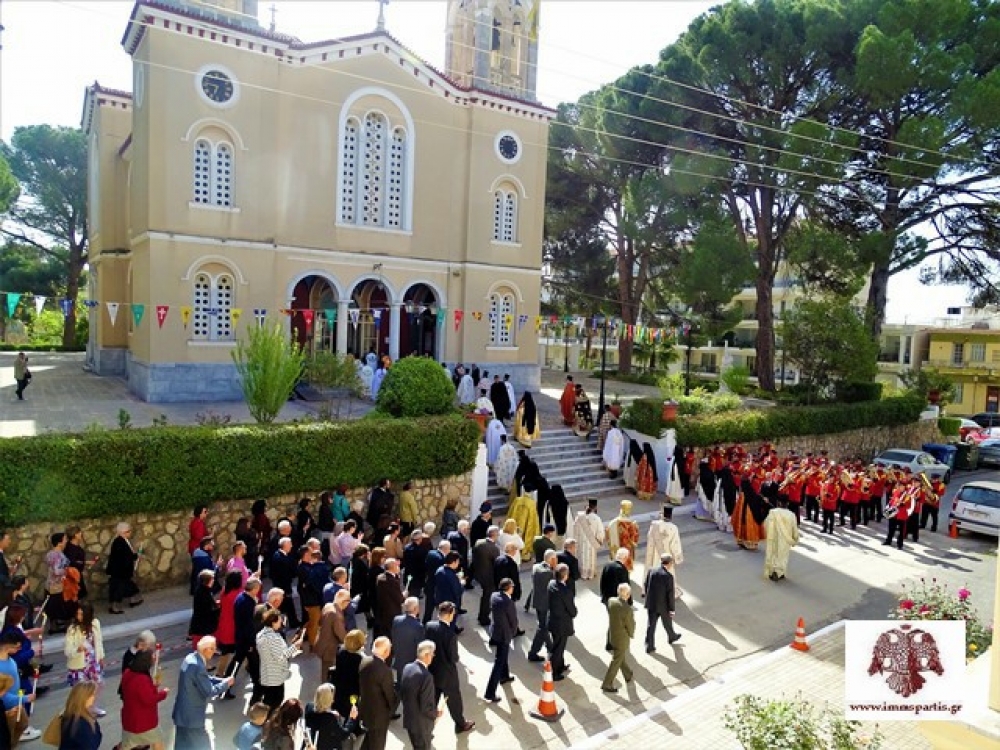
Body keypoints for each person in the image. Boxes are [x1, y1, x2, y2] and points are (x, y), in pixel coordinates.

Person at [171, 636, 234, 750]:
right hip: (192, 718)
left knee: (182, 745)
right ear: (206, 650)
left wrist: (221, 680)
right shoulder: (198, 666)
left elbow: (204, 679)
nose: (215, 651)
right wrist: (226, 684)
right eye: (213, 648)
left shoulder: (190, 658)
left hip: (182, 714)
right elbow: (209, 691)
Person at [424, 602, 475, 734]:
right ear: (450, 614)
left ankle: (426, 727)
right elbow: (453, 657)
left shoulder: (429, 626)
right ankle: (460, 724)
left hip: (433, 670)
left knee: (432, 699)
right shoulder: (450, 635)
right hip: (447, 673)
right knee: (454, 700)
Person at [119, 649, 169, 750]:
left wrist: (153, 686)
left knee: (127, 746)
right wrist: (163, 693)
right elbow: (149, 699)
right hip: (145, 723)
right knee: (158, 743)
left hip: (129, 721)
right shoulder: (142, 679)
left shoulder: (127, 673)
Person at [256, 609, 305, 709]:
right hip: (275, 675)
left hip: (267, 673)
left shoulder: (261, 634)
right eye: (279, 621)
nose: (281, 623)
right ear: (273, 622)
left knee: (269, 700)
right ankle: (268, 721)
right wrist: (295, 647)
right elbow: (280, 657)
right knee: (275, 701)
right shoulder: (273, 638)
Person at [64, 601, 105, 712]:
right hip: (79, 664)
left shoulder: (95, 624)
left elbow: (99, 641)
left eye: (81, 614)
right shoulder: (72, 629)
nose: (79, 616)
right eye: (78, 614)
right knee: (81, 690)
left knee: (98, 685)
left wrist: (101, 657)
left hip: (92, 661)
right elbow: (67, 650)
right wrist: (77, 649)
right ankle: (81, 710)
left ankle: (92, 706)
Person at [400, 640, 441, 750]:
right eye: (432, 654)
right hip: (421, 725)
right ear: (427, 655)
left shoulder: (407, 667)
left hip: (410, 721)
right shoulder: (426, 676)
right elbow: (426, 707)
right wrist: (435, 714)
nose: (433, 656)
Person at [358, 636, 397, 750]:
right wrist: (392, 708)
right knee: (377, 744)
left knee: (369, 740)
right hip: (379, 716)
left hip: (366, 709)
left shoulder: (365, 661)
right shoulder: (385, 671)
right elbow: (389, 695)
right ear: (386, 652)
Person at [484, 577, 518, 703]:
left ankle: (505, 676)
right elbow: (513, 620)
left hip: (496, 631)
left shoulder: (494, 596)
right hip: (504, 634)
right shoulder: (508, 602)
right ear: (508, 588)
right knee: (499, 661)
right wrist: (513, 632)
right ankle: (490, 692)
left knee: (503, 657)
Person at [643, 553, 681, 653]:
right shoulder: (668, 576)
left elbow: (646, 584)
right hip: (663, 606)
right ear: (669, 563)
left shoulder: (651, 570)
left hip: (652, 603)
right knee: (667, 623)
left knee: (651, 625)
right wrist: (672, 609)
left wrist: (649, 596)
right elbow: (670, 595)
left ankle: (649, 645)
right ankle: (672, 637)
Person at [602, 582, 635, 693]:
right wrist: (631, 634)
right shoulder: (627, 609)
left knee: (619, 656)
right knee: (617, 659)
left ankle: (628, 673)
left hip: (613, 636)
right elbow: (630, 625)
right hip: (622, 638)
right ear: (628, 594)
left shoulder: (611, 601)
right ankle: (607, 683)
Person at [304, 683, 359, 750]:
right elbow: (343, 734)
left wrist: (329, 712)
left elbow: (319, 711)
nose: (333, 700)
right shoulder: (329, 719)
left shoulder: (309, 708)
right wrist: (352, 719)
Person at [546, 563, 577, 681]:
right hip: (561, 625)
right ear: (565, 576)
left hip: (553, 621)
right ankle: (554, 672)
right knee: (558, 648)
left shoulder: (551, 584)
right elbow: (572, 610)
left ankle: (560, 665)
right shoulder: (565, 591)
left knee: (558, 645)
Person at [645, 505, 685, 596]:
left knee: (654, 572)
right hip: (667, 555)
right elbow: (675, 544)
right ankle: (668, 592)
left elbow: (649, 538)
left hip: (655, 553)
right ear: (671, 516)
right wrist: (677, 557)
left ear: (662, 514)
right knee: (668, 574)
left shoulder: (654, 525)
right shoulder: (673, 528)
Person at [526, 550, 557, 662]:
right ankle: (533, 652)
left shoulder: (536, 567)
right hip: (544, 603)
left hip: (537, 600)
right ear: (552, 560)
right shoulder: (549, 573)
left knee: (542, 625)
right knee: (542, 628)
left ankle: (550, 647)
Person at [314, 589, 351, 681]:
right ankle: (327, 692)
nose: (348, 605)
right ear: (343, 602)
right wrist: (352, 644)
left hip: (322, 644)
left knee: (325, 670)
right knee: (329, 674)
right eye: (348, 602)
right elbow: (341, 635)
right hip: (330, 649)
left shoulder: (328, 606)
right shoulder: (335, 614)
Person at [106, 522, 141, 615]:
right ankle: (115, 607)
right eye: (128, 531)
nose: (130, 533)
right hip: (120, 572)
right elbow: (125, 557)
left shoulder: (119, 541)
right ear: (123, 532)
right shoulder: (120, 543)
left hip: (119, 571)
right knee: (119, 589)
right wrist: (134, 557)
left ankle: (133, 600)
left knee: (126, 586)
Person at [763, 497, 800, 580]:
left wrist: (768, 533)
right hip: (785, 539)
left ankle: (773, 571)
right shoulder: (791, 515)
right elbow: (794, 528)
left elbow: (766, 524)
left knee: (773, 554)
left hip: (774, 537)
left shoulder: (773, 512)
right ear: (788, 504)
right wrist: (795, 539)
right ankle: (780, 572)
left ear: (778, 502)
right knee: (783, 556)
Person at [331, 629, 365, 719]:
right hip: (354, 689)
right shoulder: (359, 659)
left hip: (341, 685)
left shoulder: (340, 651)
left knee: (345, 706)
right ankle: (355, 727)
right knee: (353, 707)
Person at [58, 681, 102, 750]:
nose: (95, 698)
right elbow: (92, 744)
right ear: (84, 697)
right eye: (93, 695)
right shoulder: (82, 724)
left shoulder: (68, 716)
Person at [391, 597, 425, 684]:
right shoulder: (418, 626)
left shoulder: (396, 620)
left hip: (399, 659)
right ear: (415, 609)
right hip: (412, 663)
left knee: (400, 684)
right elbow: (420, 647)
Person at [44, 532, 73, 631]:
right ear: (59, 542)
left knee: (53, 607)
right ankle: (59, 625)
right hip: (57, 586)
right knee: (59, 606)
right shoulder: (58, 555)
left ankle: (54, 625)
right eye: (64, 539)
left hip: (50, 584)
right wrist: (67, 571)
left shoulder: (50, 554)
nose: (66, 541)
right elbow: (57, 571)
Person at [570, 499, 604, 580]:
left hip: (581, 542)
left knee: (582, 557)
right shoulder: (596, 518)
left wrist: (576, 540)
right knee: (590, 558)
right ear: (595, 507)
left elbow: (575, 530)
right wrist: (600, 540)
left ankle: (582, 573)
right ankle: (590, 574)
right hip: (591, 543)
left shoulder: (579, 517)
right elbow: (600, 532)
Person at [473, 526, 501, 626]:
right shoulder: (494, 549)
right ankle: (483, 617)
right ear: (494, 535)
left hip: (479, 573)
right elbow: (497, 564)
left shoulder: (479, 542)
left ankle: (482, 615)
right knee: (487, 597)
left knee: (485, 595)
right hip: (489, 576)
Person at [189, 569, 220, 650]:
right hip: (203, 622)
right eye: (212, 579)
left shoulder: (201, 589)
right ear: (209, 581)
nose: (214, 581)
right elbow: (208, 609)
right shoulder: (204, 592)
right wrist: (218, 609)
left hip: (199, 621)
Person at [607, 500, 639, 570]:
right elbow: (634, 539)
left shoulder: (612, 523)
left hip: (616, 549)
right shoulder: (631, 524)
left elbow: (608, 535)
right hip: (626, 550)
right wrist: (636, 528)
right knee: (625, 565)